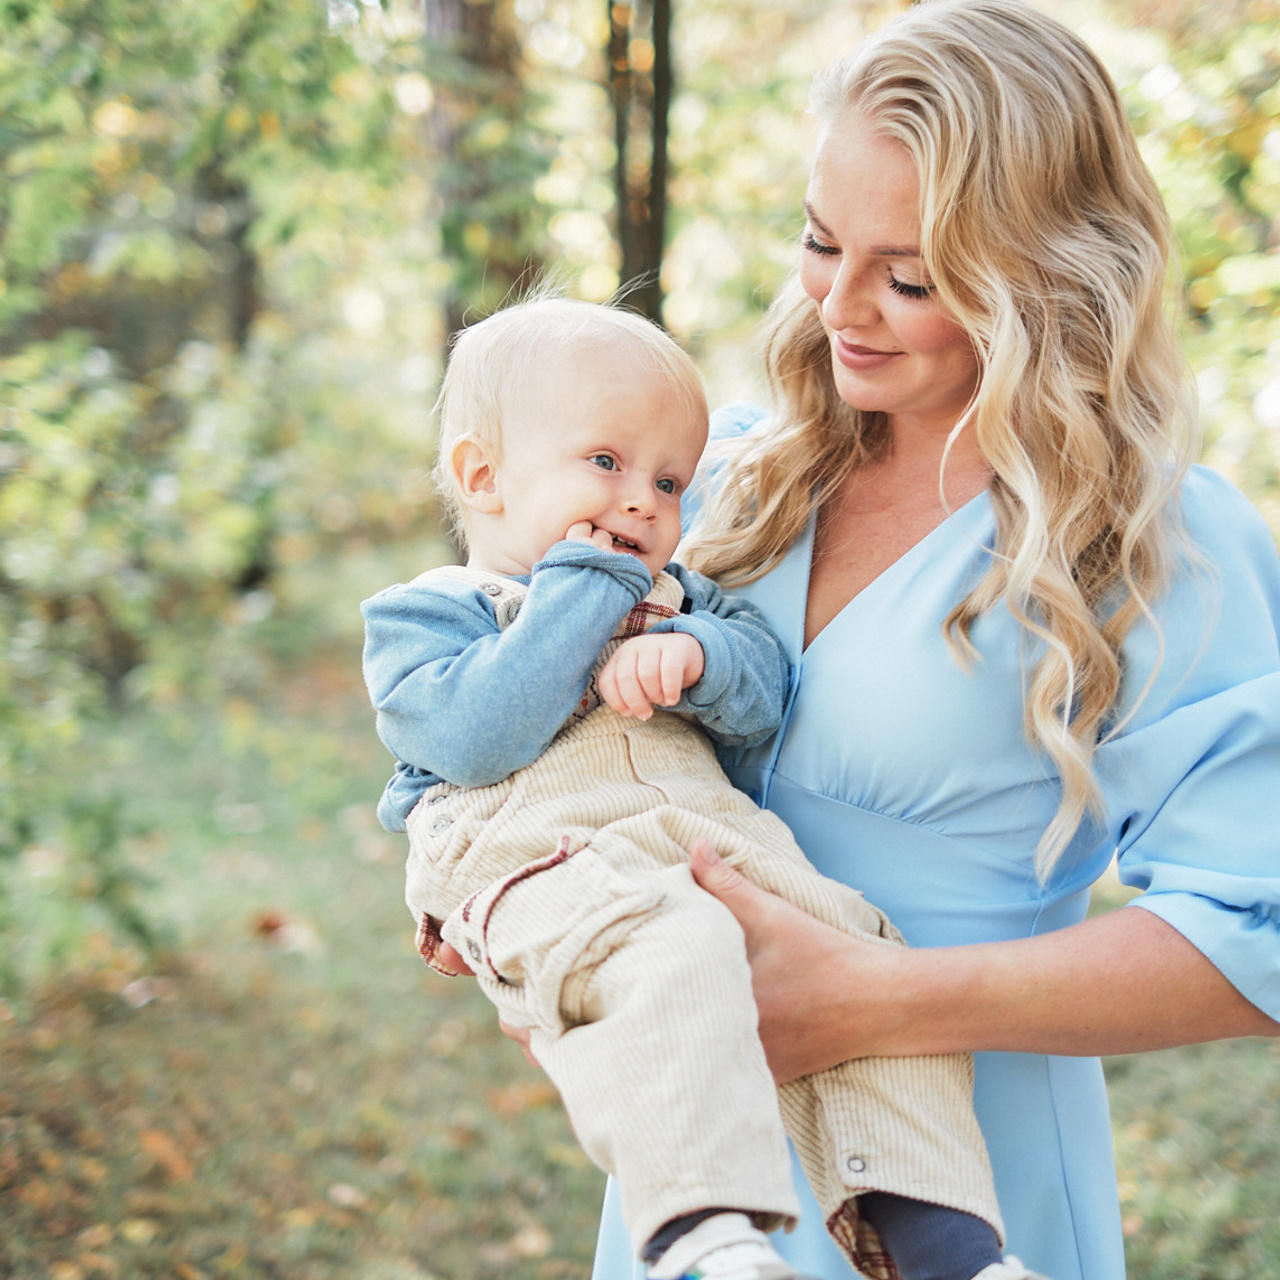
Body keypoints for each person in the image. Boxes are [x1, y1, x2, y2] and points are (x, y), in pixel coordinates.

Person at [577, 1, 1280, 1278]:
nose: (841, 307)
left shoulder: (1150, 538)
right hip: (702, 1166)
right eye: (818, 241)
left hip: (966, 1179)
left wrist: (875, 1000)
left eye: (908, 275)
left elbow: (1256, 935)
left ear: (1044, 270)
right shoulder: (733, 474)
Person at [361, 295, 1045, 1280]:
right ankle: (703, 1235)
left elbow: (764, 694)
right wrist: (589, 591)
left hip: (701, 843)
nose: (643, 501)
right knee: (667, 956)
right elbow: (477, 736)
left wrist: (694, 649)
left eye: (669, 479)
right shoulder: (429, 614)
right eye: (605, 463)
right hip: (537, 854)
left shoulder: (679, 595)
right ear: (483, 476)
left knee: (862, 954)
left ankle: (950, 1250)